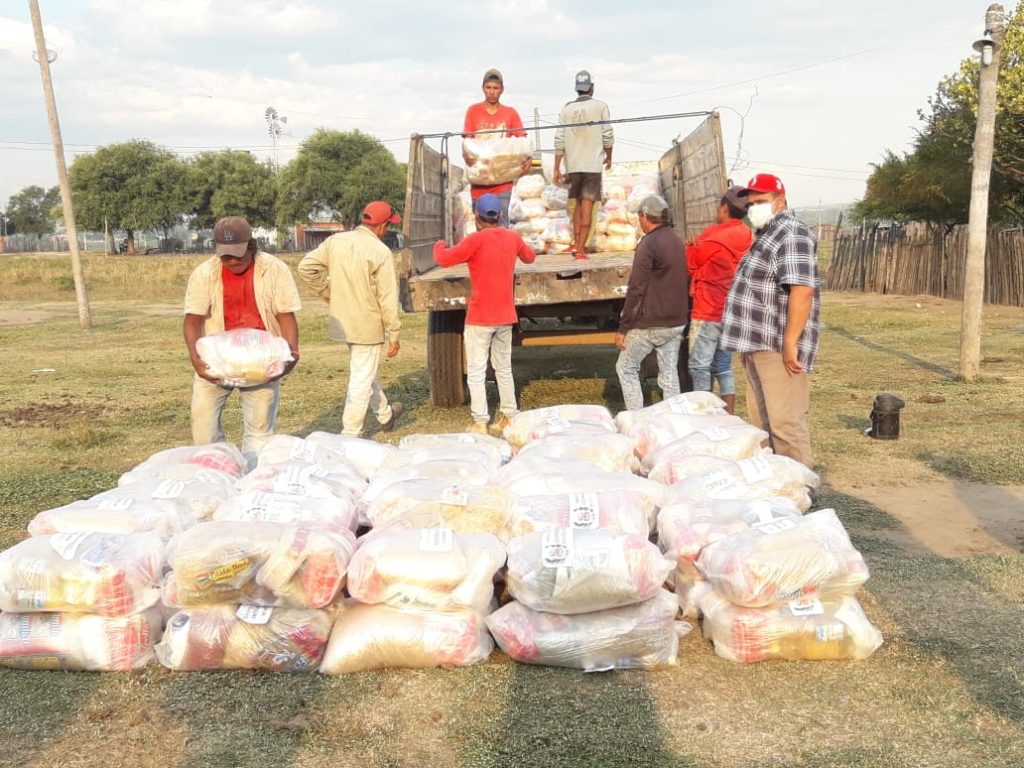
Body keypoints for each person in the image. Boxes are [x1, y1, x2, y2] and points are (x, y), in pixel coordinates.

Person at [720, 173, 821, 468]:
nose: (754, 208)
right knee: (762, 423)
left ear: (780, 200)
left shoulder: (792, 233)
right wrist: (747, 346)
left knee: (784, 424)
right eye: (750, 204)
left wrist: (791, 342)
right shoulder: (767, 233)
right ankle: (779, 486)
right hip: (758, 344)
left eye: (761, 202)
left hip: (778, 345)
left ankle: (802, 489)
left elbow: (802, 291)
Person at [183, 215, 301, 465]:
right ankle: (220, 472)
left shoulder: (275, 269)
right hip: (218, 361)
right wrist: (197, 361)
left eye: (238, 253)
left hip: (261, 363)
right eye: (225, 255)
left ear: (252, 246)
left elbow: (285, 315)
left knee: (258, 434)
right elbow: (192, 320)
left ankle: (251, 481)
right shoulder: (205, 274)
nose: (232, 261)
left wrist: (292, 354)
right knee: (203, 430)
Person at [297, 201, 404, 437]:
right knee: (360, 380)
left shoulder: (336, 241)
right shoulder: (381, 252)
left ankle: (385, 415)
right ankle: (349, 435)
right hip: (367, 324)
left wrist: (324, 292)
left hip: (343, 322)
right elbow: (387, 298)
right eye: (388, 226)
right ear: (382, 226)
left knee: (363, 371)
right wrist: (394, 333)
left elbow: (306, 267)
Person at [432, 193, 536, 434]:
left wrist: (439, 244)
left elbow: (442, 258)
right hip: (506, 316)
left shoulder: (474, 241)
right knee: (504, 368)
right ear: (500, 215)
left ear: (477, 217)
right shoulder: (513, 237)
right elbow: (530, 257)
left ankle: (481, 421)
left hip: (480, 318)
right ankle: (510, 415)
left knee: (477, 371)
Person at [614, 195, 689, 411]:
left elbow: (636, 287)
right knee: (669, 372)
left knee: (626, 367)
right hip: (676, 322)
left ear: (644, 217)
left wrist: (624, 327)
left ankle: (637, 420)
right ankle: (673, 419)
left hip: (652, 324)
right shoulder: (675, 239)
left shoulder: (648, 244)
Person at [686, 186, 754, 414]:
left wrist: (691, 245)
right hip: (731, 311)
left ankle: (704, 415)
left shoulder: (711, 236)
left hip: (707, 310)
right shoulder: (747, 235)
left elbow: (691, 263)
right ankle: (728, 415)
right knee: (724, 367)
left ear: (724, 208)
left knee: (699, 366)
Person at [553, 69, 613, 259]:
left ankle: (576, 244)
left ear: (576, 89)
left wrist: (556, 167)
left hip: (573, 167)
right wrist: (609, 155)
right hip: (592, 166)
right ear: (592, 88)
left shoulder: (566, 109)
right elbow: (607, 135)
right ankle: (580, 250)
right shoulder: (600, 107)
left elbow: (559, 139)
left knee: (577, 207)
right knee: (587, 207)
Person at [463, 68, 529, 224]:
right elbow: (467, 142)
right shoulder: (473, 111)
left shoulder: (510, 113)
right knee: (481, 223)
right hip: (480, 181)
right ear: (483, 88)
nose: (492, 92)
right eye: (488, 88)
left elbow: (523, 141)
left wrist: (527, 158)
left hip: (502, 182)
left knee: (501, 221)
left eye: (496, 88)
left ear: (502, 90)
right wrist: (467, 156)